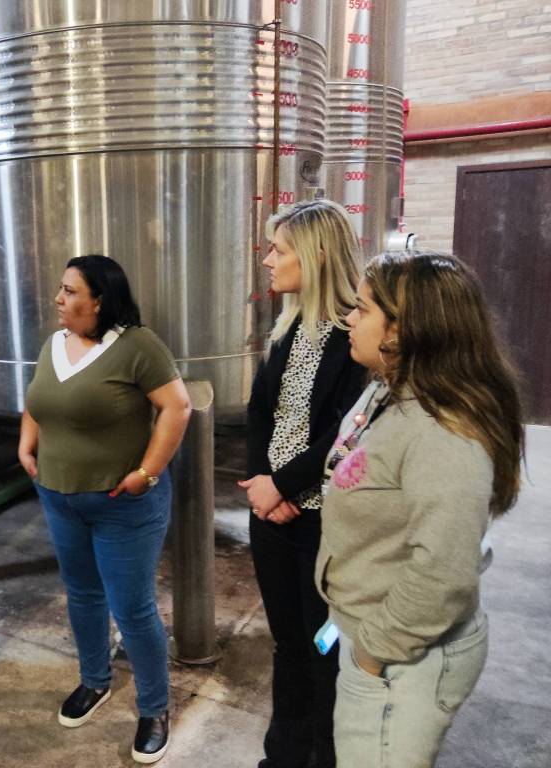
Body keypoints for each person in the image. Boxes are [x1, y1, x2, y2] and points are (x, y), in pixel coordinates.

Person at [318, 250, 524, 767]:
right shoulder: (388, 391)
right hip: (378, 638)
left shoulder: (442, 432)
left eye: (362, 309)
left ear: (404, 329)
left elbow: (444, 572)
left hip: (403, 657)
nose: (349, 319)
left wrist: (373, 652)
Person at [18, 255, 191, 764]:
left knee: (133, 609)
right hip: (59, 497)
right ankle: (95, 680)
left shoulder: (137, 346)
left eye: (71, 291)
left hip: (123, 506)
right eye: (61, 288)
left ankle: (154, 709)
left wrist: (147, 473)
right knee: (82, 596)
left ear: (99, 300)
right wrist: (26, 445)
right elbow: (38, 401)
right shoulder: (54, 344)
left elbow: (177, 406)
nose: (59, 298)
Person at [239, 199, 366, 768]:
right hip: (273, 515)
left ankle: (325, 757)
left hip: (323, 522)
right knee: (288, 644)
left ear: (315, 257)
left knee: (325, 650)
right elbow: (258, 411)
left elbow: (347, 431)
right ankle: (283, 756)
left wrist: (284, 487)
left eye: (279, 250)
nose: (268, 260)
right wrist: (262, 485)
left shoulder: (355, 333)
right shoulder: (288, 327)